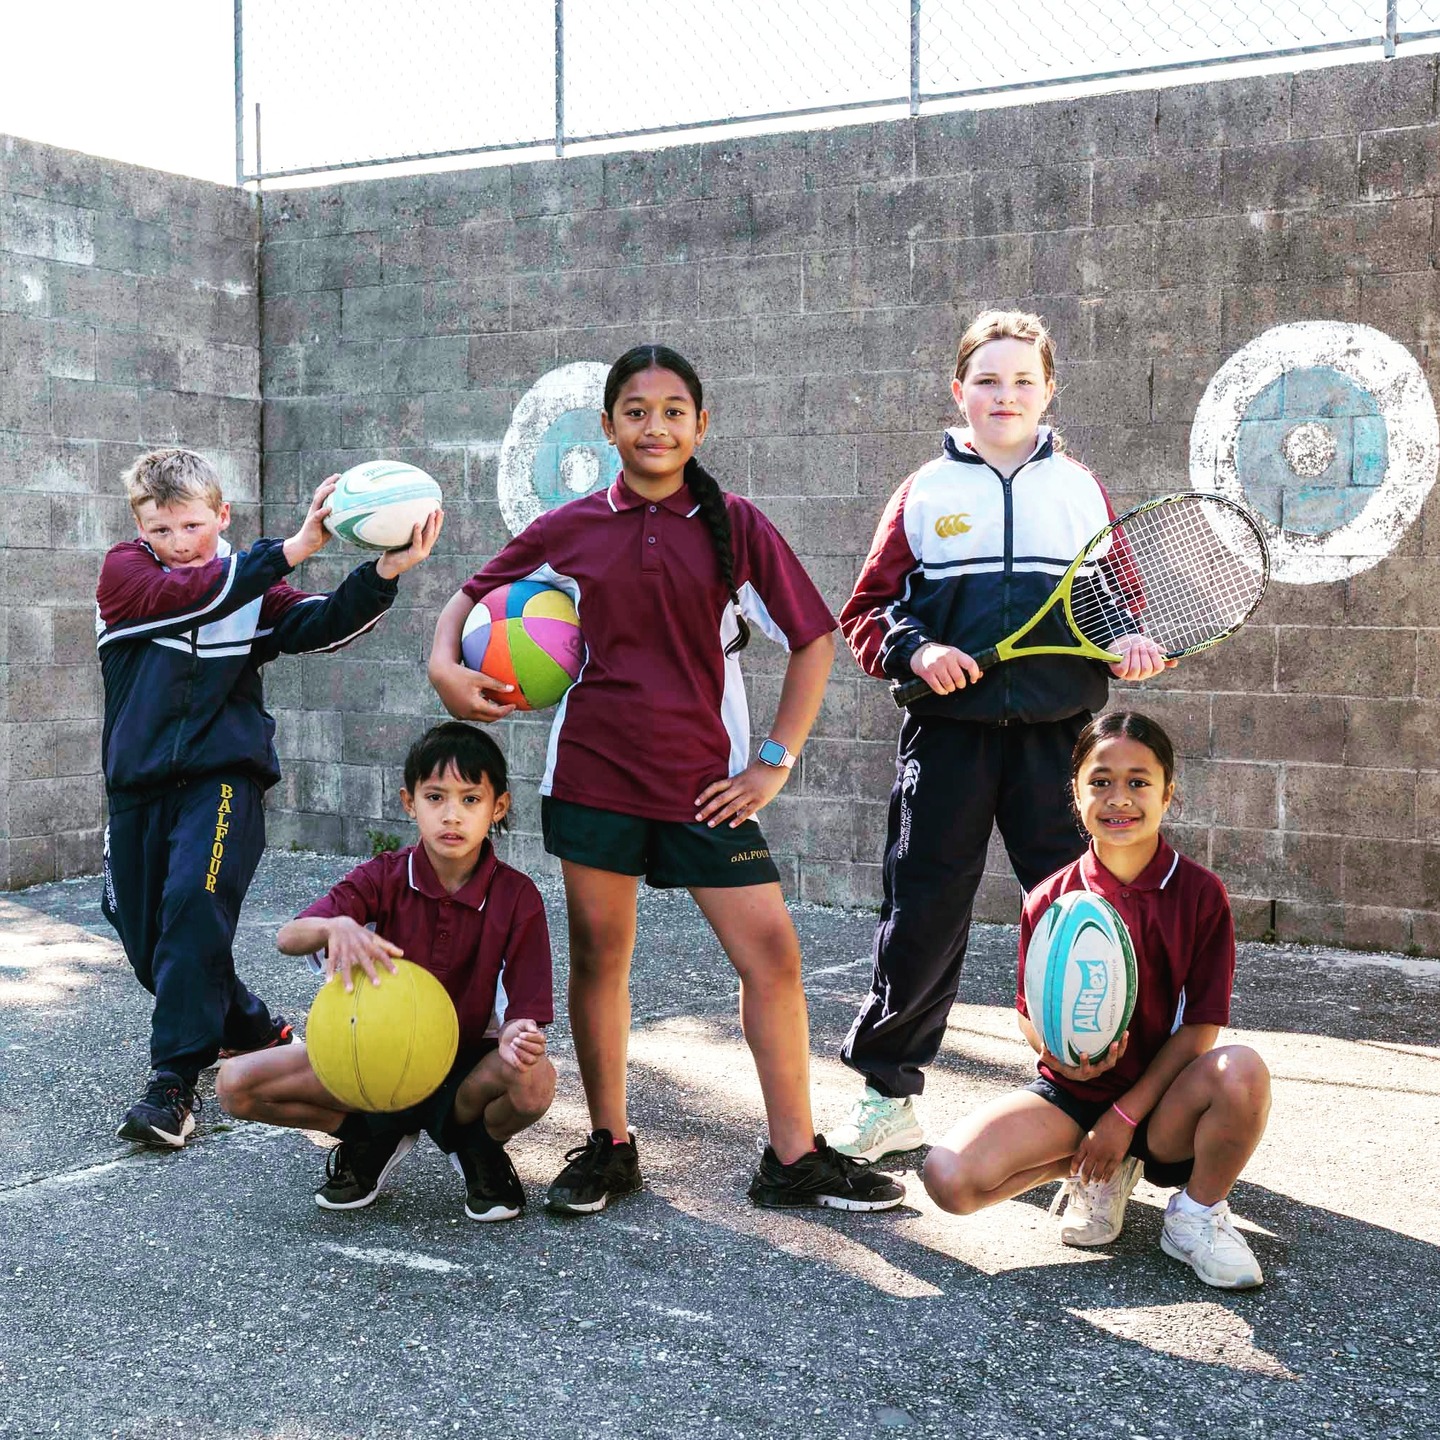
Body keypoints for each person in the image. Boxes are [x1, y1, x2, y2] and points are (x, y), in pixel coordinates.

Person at [428, 343, 903, 1215]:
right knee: (603, 958)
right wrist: (443, 668)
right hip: (595, 779)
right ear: (607, 427)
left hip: (706, 787)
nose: (656, 425)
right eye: (637, 411)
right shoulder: (571, 526)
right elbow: (468, 596)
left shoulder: (738, 525)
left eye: (674, 410)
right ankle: (609, 1145)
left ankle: (793, 1156)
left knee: (772, 957)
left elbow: (814, 640)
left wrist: (772, 763)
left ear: (700, 424)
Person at [830, 309, 1171, 1162]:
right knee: (921, 915)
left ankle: (1110, 1111)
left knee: (1090, 923)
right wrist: (923, 648)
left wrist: (1128, 638)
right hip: (948, 741)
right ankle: (887, 1096)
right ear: (959, 391)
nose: (1005, 394)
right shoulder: (923, 492)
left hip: (1063, 746)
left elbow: (1114, 602)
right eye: (987, 379)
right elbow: (867, 613)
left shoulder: (1081, 490)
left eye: (1023, 380)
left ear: (1050, 390)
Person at [99, 447, 441, 1148]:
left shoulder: (242, 582)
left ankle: (171, 1086)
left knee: (193, 906)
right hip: (136, 788)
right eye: (161, 531)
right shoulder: (127, 576)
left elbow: (314, 625)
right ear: (141, 531)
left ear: (221, 515)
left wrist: (383, 573)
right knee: (153, 949)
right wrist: (292, 547)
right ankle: (254, 1028)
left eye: (193, 527)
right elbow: (193, 597)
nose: (179, 545)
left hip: (224, 780)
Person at [923, 712, 1271, 1289]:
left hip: (1165, 1106)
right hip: (1073, 1092)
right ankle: (1093, 1170)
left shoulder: (1199, 893)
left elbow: (1201, 1027)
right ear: (1076, 792)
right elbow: (1028, 1012)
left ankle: (1195, 1215)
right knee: (948, 1178)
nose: (1119, 798)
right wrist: (1055, 1055)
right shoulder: (1050, 898)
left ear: (1168, 794)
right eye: (1100, 780)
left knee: (1243, 1072)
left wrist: (1125, 1117)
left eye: (1138, 782)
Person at [218, 722, 555, 1221]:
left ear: (497, 807)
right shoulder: (384, 876)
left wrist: (517, 1036)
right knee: (234, 1085)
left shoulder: (516, 897)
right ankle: (372, 1135)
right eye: (435, 797)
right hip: (371, 1060)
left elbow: (525, 1015)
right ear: (408, 802)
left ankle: (476, 1145)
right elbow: (288, 937)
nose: (451, 815)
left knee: (536, 1081)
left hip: (463, 1072)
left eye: (470, 799)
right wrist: (334, 927)